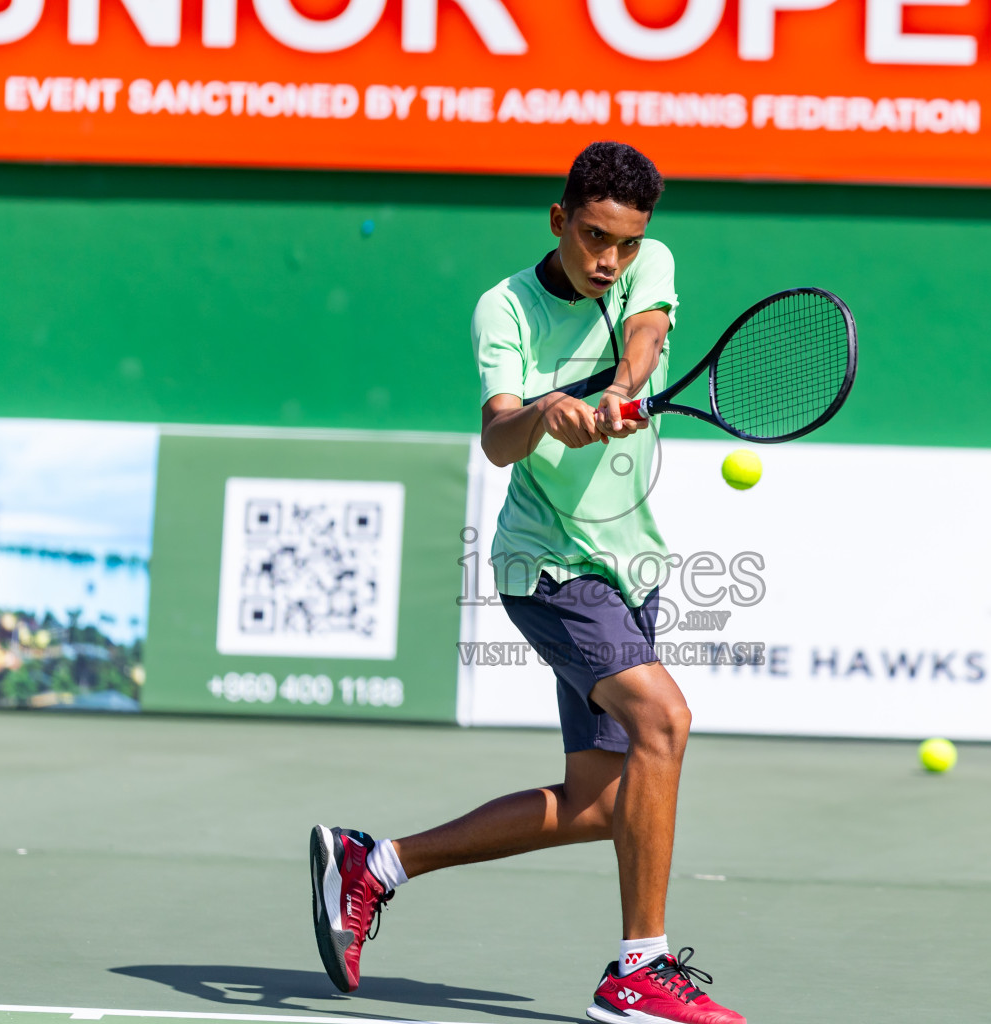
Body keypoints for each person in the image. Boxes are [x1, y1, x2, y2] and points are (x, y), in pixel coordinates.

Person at [309, 141, 745, 1024]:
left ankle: (376, 865)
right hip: (547, 565)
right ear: (558, 219)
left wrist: (621, 390)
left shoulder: (644, 265)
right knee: (666, 719)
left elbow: (647, 338)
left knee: (603, 803)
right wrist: (548, 412)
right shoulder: (505, 308)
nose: (608, 260)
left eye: (623, 243)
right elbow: (498, 438)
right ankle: (639, 973)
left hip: (634, 564)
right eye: (592, 238)